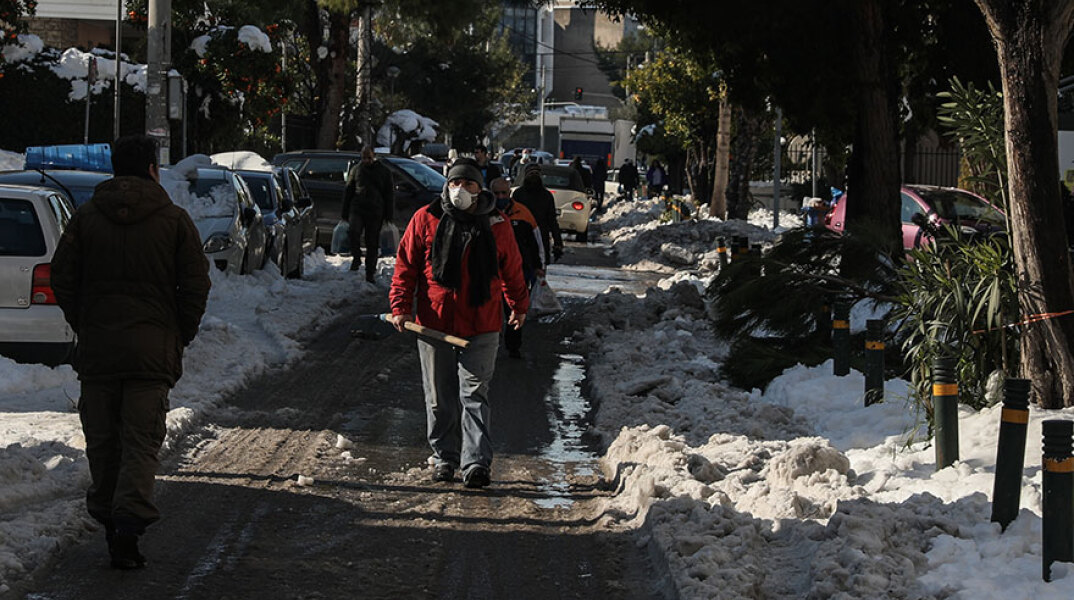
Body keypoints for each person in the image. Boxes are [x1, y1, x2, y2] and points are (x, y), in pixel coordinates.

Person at [50, 135, 211, 570]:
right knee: (140, 442)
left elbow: (62, 277)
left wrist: (86, 321)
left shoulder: (85, 219)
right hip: (151, 352)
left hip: (99, 350)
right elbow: (195, 285)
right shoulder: (174, 221)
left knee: (103, 441)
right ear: (152, 170)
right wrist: (178, 333)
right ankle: (128, 526)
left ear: (113, 169)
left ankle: (108, 515)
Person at [389, 158, 529, 488]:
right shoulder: (425, 218)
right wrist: (400, 307)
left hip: (482, 323)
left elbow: (511, 270)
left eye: (468, 184)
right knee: (439, 397)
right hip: (434, 323)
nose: (460, 190)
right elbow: (405, 267)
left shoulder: (497, 223)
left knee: (475, 394)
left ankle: (476, 463)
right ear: (446, 185)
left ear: (479, 189)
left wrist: (519, 306)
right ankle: (444, 458)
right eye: (455, 183)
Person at [490, 177, 542, 359]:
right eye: (496, 193)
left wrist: (538, 265)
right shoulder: (484, 213)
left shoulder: (523, 213)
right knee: (491, 309)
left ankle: (513, 346)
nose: (500, 196)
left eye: (504, 193)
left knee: (514, 307)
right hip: (491, 271)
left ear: (510, 193)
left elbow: (536, 242)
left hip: (519, 270)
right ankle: (490, 343)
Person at [341, 146, 394, 282]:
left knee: (372, 241)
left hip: (375, 210)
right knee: (354, 232)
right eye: (364, 158)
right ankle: (357, 257)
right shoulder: (357, 170)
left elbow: (389, 194)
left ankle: (370, 271)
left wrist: (388, 214)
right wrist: (345, 212)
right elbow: (349, 191)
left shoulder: (383, 171)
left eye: (369, 158)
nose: (366, 161)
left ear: (374, 156)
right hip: (357, 208)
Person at [512, 163, 563, 265]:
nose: (534, 176)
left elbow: (552, 220)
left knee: (539, 272)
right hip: (521, 239)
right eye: (531, 173)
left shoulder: (546, 196)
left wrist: (558, 243)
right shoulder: (518, 194)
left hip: (540, 239)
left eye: (536, 173)